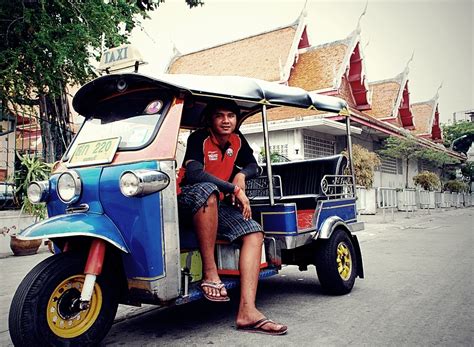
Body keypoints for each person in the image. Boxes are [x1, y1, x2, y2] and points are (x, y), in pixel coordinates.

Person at [177, 99, 288, 335]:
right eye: (220, 116)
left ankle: (247, 311)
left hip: (218, 201)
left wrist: (241, 177)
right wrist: (234, 189)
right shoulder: (198, 138)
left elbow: (253, 165)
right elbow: (195, 174)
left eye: (231, 116)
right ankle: (210, 272)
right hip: (186, 200)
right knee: (207, 191)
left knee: (255, 232)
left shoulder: (237, 139)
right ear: (210, 119)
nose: (226, 120)